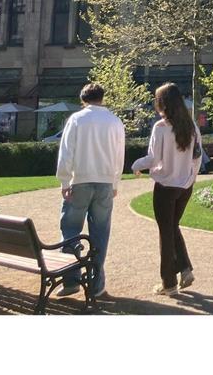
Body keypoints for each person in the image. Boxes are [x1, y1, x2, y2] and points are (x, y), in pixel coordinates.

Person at [56, 82, 125, 300]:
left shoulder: (76, 119)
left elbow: (66, 152)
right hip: (104, 182)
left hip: (80, 181)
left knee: (70, 230)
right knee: (100, 233)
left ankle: (71, 279)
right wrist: (115, 183)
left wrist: (64, 181)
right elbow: (119, 155)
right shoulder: (114, 121)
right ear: (102, 98)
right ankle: (96, 283)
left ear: (83, 99)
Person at [131, 83, 202, 296]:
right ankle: (185, 268)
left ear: (161, 103)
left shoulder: (161, 127)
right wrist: (191, 179)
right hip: (184, 186)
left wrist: (136, 165)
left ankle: (168, 282)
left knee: (166, 231)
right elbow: (197, 156)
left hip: (166, 187)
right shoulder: (191, 126)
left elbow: (154, 158)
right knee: (172, 227)